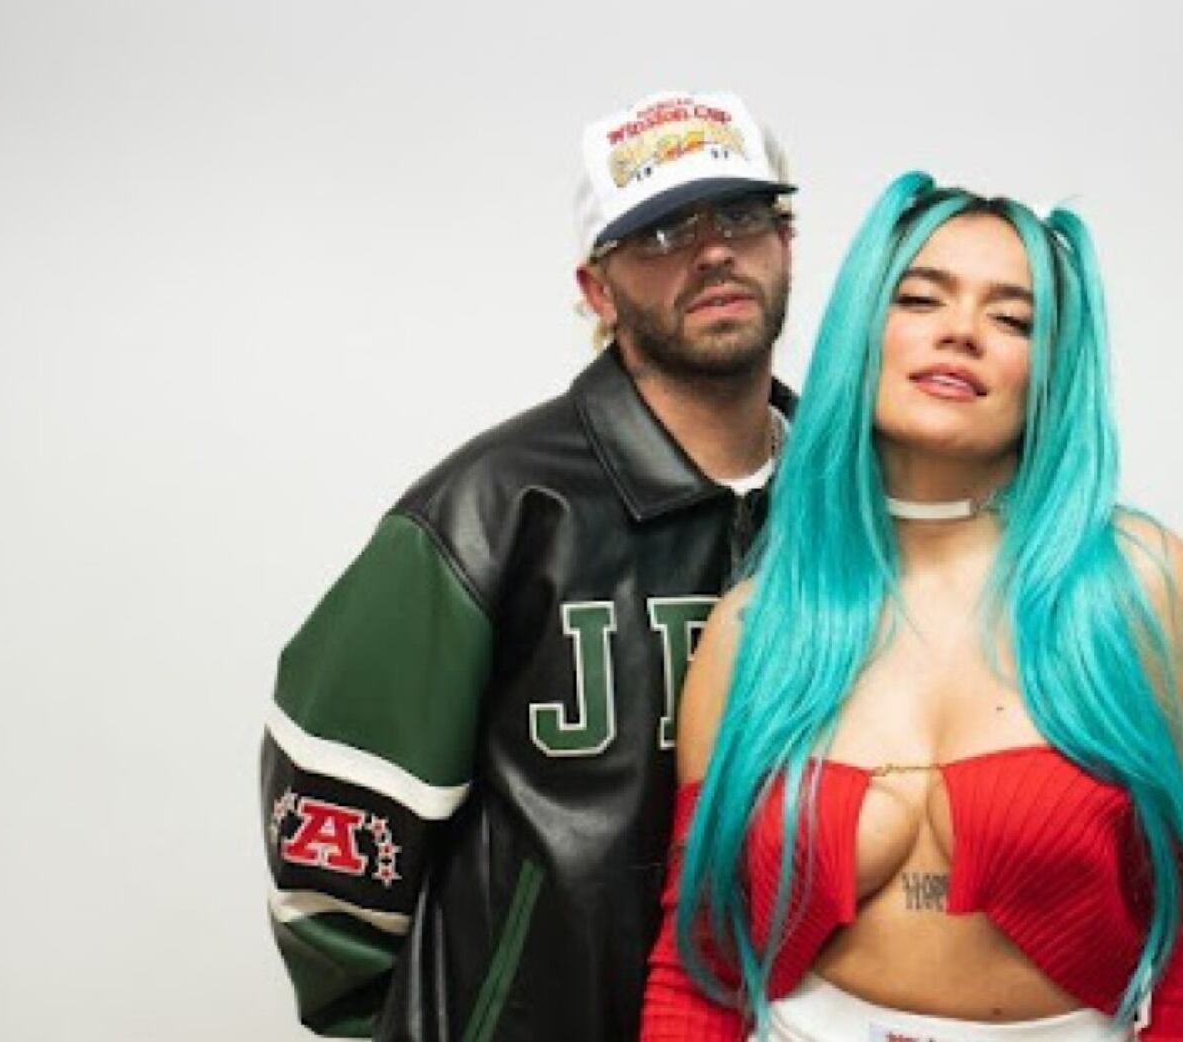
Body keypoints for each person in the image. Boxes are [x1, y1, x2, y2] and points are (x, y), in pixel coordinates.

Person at [641, 172, 1183, 1042]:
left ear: (1052, 369)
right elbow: (697, 967)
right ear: (865, 331)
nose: (962, 332)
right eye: (920, 299)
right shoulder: (758, 625)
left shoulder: (1138, 583)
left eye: (1013, 319)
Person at [260, 90, 798, 1040]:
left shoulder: (851, 505)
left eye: (743, 215)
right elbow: (333, 827)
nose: (715, 251)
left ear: (786, 241)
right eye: (663, 231)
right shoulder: (490, 512)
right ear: (598, 290)